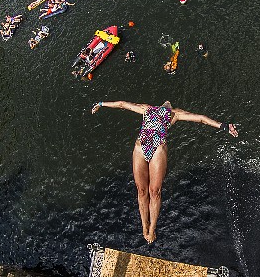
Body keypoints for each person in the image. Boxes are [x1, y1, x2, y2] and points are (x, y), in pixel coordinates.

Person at [91, 101, 239, 242]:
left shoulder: (175, 113)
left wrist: (224, 126)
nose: (167, 105)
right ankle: (144, 226)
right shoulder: (147, 109)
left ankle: (152, 228)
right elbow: (123, 105)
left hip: (157, 150)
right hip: (140, 149)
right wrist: (101, 104)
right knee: (142, 191)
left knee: (154, 191)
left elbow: (200, 119)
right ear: (162, 106)